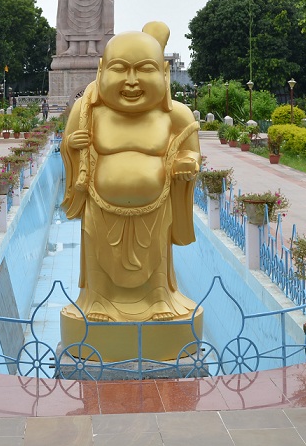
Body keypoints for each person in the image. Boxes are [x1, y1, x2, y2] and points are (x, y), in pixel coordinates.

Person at [60, 21, 201, 322]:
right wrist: (72, 145)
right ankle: (97, 300)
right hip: (100, 209)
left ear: (164, 73)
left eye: (145, 69)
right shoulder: (89, 112)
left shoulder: (175, 114)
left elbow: (190, 151)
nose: (132, 81)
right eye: (120, 69)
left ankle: (159, 299)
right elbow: (68, 148)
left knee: (157, 257)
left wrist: (186, 164)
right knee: (97, 255)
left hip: (156, 208)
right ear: (101, 71)